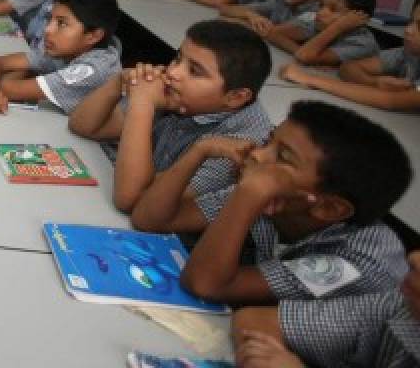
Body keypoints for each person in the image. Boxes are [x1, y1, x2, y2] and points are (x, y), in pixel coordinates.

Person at [130, 101, 411, 312]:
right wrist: (200, 150)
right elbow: (152, 219)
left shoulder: (360, 263)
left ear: (330, 209)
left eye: (284, 156)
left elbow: (204, 284)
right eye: (269, 140)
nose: (257, 154)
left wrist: (249, 195)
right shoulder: (280, 193)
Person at [68, 20, 272, 211]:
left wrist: (143, 104)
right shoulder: (186, 97)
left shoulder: (240, 146)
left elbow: (132, 200)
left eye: (194, 71)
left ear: (236, 97)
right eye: (178, 58)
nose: (173, 72)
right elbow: (83, 126)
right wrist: (119, 81)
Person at [230, 251, 420, 368]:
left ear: (334, 208)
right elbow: (253, 321)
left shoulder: (364, 259)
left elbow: (215, 284)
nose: (414, 258)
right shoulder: (401, 304)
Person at [0, 0, 122, 114]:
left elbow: (10, 88)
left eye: (61, 24)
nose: (48, 30)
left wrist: (21, 70)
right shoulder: (65, 49)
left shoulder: (93, 68)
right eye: (49, 19)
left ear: (93, 36)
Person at [281, 0, 420, 113]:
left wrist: (309, 79)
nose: (407, 30)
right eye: (411, 22)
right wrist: (375, 82)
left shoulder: (362, 41)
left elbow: (390, 101)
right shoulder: (406, 53)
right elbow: (348, 68)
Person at [267, 0, 379, 67]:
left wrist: (338, 27)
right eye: (321, 6)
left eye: (333, 9)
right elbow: (273, 33)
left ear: (357, 19)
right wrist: (301, 51)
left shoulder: (362, 43)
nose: (320, 12)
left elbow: (303, 56)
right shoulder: (320, 23)